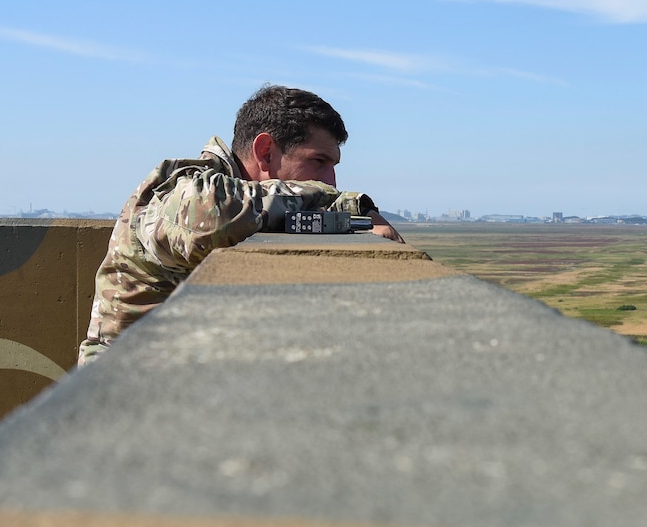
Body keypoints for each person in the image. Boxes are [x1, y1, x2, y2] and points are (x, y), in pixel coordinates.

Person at [77, 84, 403, 364]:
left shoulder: (256, 204)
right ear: (265, 152)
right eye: (318, 161)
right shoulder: (185, 188)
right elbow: (206, 215)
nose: (330, 180)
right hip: (120, 384)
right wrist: (344, 203)